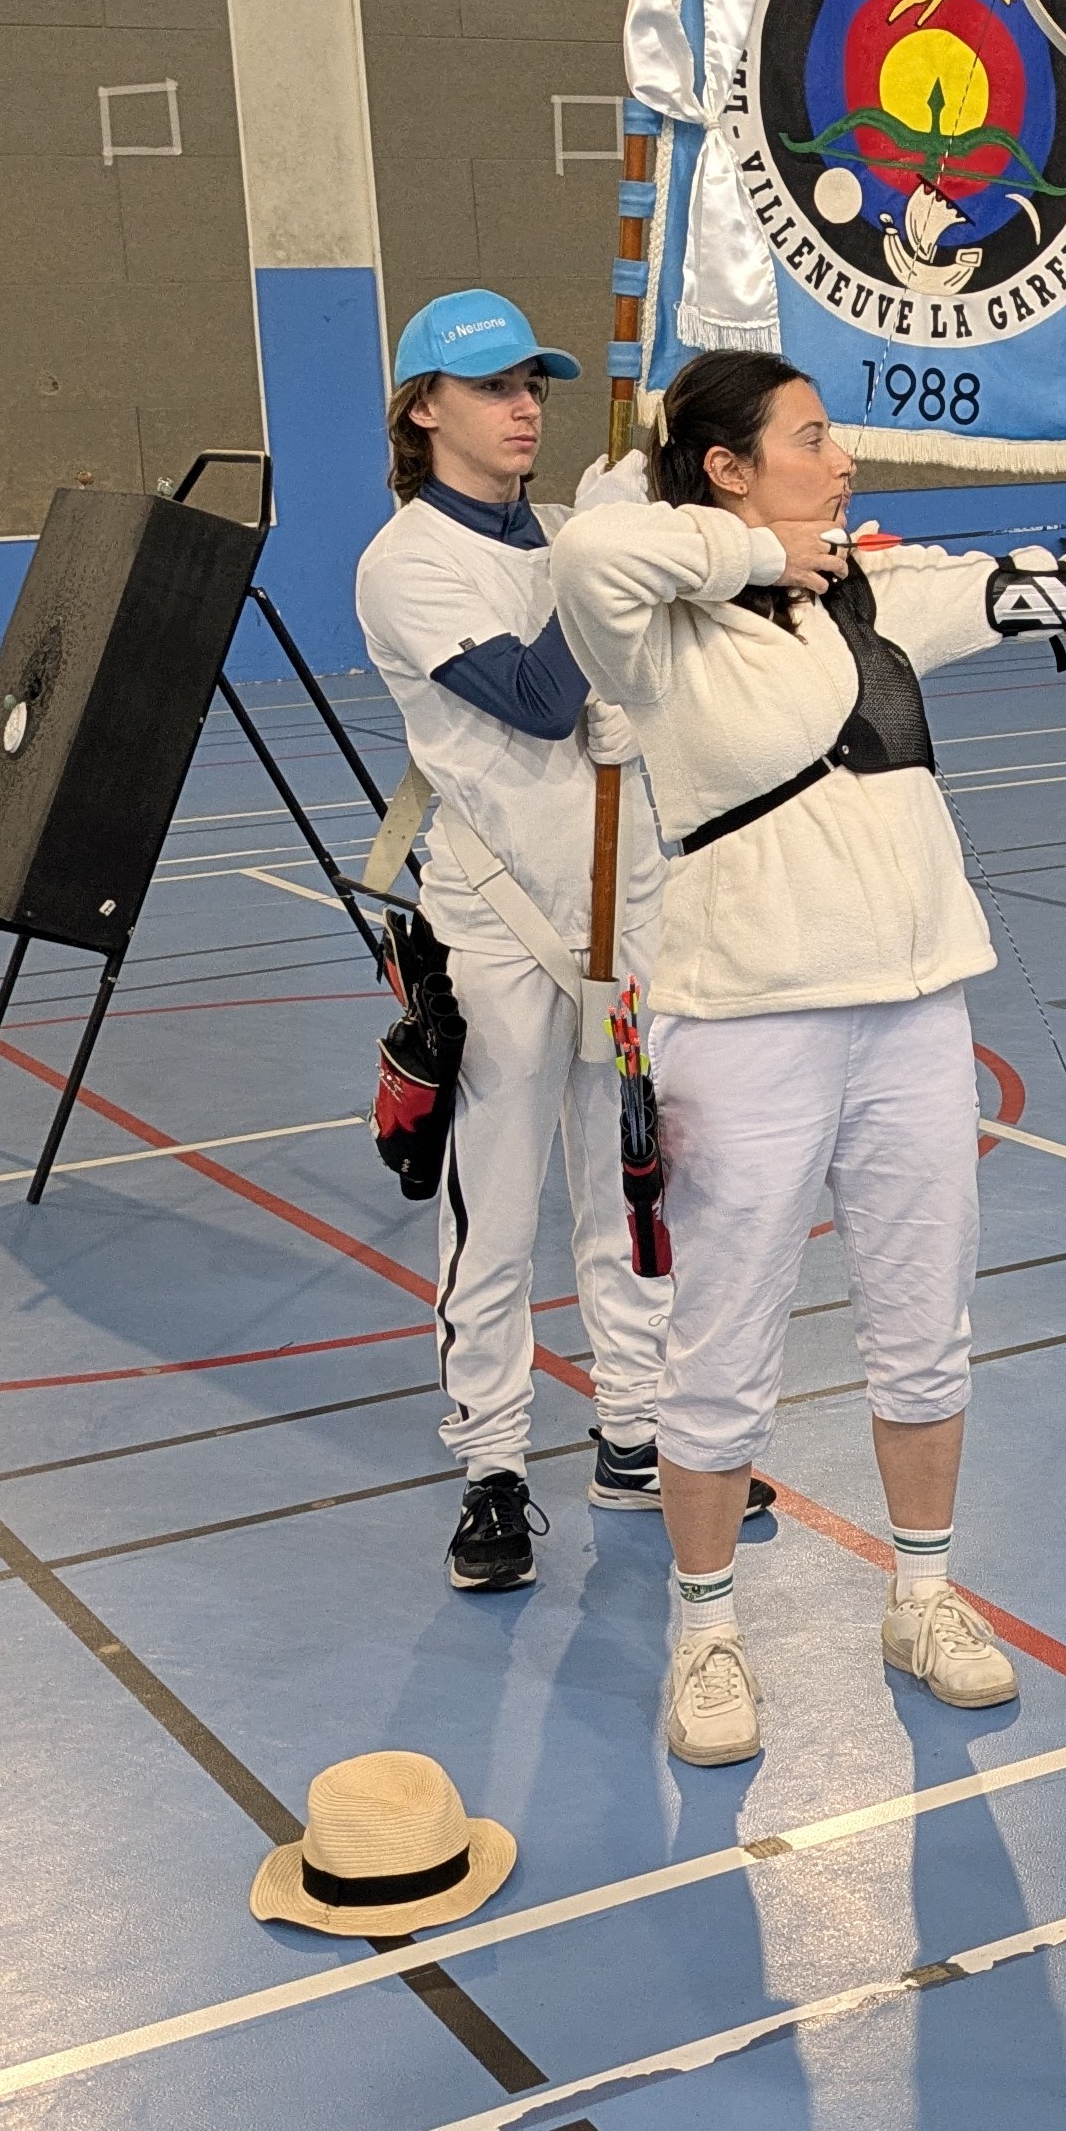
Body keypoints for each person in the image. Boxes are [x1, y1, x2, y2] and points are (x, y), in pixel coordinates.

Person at [551, 347, 1066, 1768]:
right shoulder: (655, 629)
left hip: (911, 1011)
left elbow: (1047, 588)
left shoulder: (872, 595)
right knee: (720, 1345)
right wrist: (756, 555)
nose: (842, 459)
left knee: (923, 1322)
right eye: (809, 438)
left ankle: (921, 1596)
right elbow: (592, 547)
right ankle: (707, 1629)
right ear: (726, 468)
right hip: (747, 1018)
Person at [356, 289, 747, 1592]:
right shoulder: (405, 563)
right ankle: (492, 1468)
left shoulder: (579, 533)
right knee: (496, 1207)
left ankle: (634, 1433)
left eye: (533, 384)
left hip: (626, 910)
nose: (524, 407)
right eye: (492, 386)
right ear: (424, 408)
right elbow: (532, 698)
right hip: (498, 925)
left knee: (631, 1184)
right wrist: (604, 579)